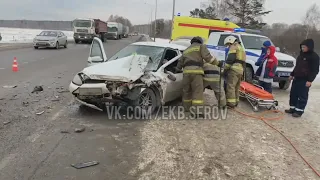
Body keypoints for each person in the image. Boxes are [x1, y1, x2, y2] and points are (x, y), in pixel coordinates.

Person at [175, 36, 222, 117]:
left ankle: (187, 108)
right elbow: (208, 58)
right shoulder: (201, 46)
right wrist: (218, 64)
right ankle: (196, 112)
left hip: (186, 73)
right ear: (200, 41)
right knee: (197, 91)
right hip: (196, 72)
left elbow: (180, 63)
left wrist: (177, 70)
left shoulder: (186, 50)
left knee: (187, 91)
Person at [285, 39, 319, 117]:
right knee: (293, 94)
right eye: (302, 47)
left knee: (302, 96)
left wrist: (310, 80)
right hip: (297, 78)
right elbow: (297, 67)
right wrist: (292, 74)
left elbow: (315, 70)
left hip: (305, 80)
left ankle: (299, 111)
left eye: (304, 47)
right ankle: (292, 108)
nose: (302, 48)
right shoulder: (301, 55)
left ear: (309, 47)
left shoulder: (314, 57)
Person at [223, 36, 246, 108]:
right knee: (236, 87)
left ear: (231, 41)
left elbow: (230, 60)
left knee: (231, 86)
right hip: (240, 70)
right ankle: (236, 102)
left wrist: (225, 70)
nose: (228, 46)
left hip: (234, 69)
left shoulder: (233, 47)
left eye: (228, 44)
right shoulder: (241, 48)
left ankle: (231, 103)